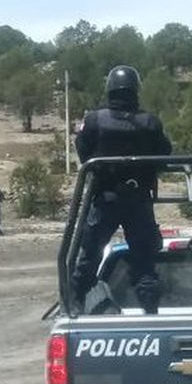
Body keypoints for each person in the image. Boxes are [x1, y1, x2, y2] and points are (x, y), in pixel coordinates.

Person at [70, 65, 172, 314]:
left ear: (110, 90)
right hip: (138, 200)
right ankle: (150, 312)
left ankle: (73, 307)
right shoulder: (150, 123)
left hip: (104, 199)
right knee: (144, 262)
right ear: (135, 90)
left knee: (88, 259)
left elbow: (83, 150)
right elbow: (164, 155)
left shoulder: (94, 121)